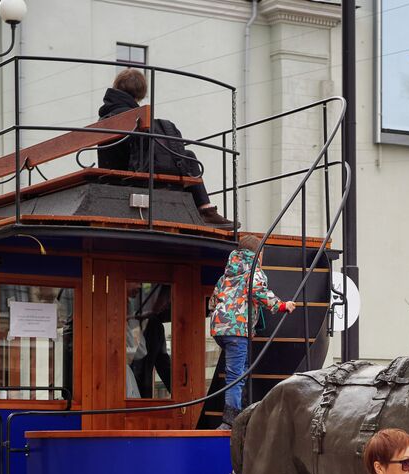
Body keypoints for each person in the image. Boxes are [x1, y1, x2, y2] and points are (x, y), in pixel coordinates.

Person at [96, 68, 234, 228]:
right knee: (188, 155)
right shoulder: (133, 116)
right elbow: (138, 152)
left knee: (186, 155)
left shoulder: (107, 114)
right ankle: (206, 209)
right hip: (126, 177)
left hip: (109, 175)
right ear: (140, 92)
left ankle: (206, 211)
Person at [210, 234, 293, 428]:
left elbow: (213, 301)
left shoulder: (227, 274)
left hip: (221, 329)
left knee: (239, 370)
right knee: (236, 376)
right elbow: (259, 292)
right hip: (238, 330)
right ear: (257, 254)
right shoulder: (254, 270)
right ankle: (230, 422)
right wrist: (282, 305)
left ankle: (241, 411)